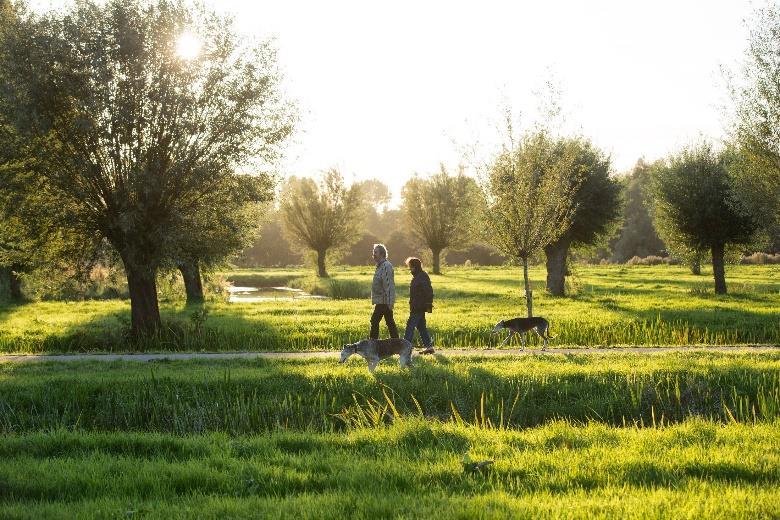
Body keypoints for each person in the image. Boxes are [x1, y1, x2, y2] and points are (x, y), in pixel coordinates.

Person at [404, 256, 434, 354]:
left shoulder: (422, 276)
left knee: (410, 326)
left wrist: (428, 304)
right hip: (417, 306)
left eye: (410, 266)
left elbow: (429, 291)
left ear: (415, 267)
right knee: (421, 327)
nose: (409, 269)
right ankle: (429, 346)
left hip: (419, 306)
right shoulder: (418, 276)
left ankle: (405, 348)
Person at [370, 243, 399, 339]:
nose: (373, 254)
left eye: (376, 252)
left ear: (382, 254)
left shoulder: (386, 266)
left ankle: (372, 344)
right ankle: (397, 343)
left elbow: (389, 285)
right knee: (390, 322)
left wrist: (390, 302)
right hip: (381, 300)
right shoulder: (379, 266)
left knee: (374, 321)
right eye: (373, 252)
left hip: (384, 301)